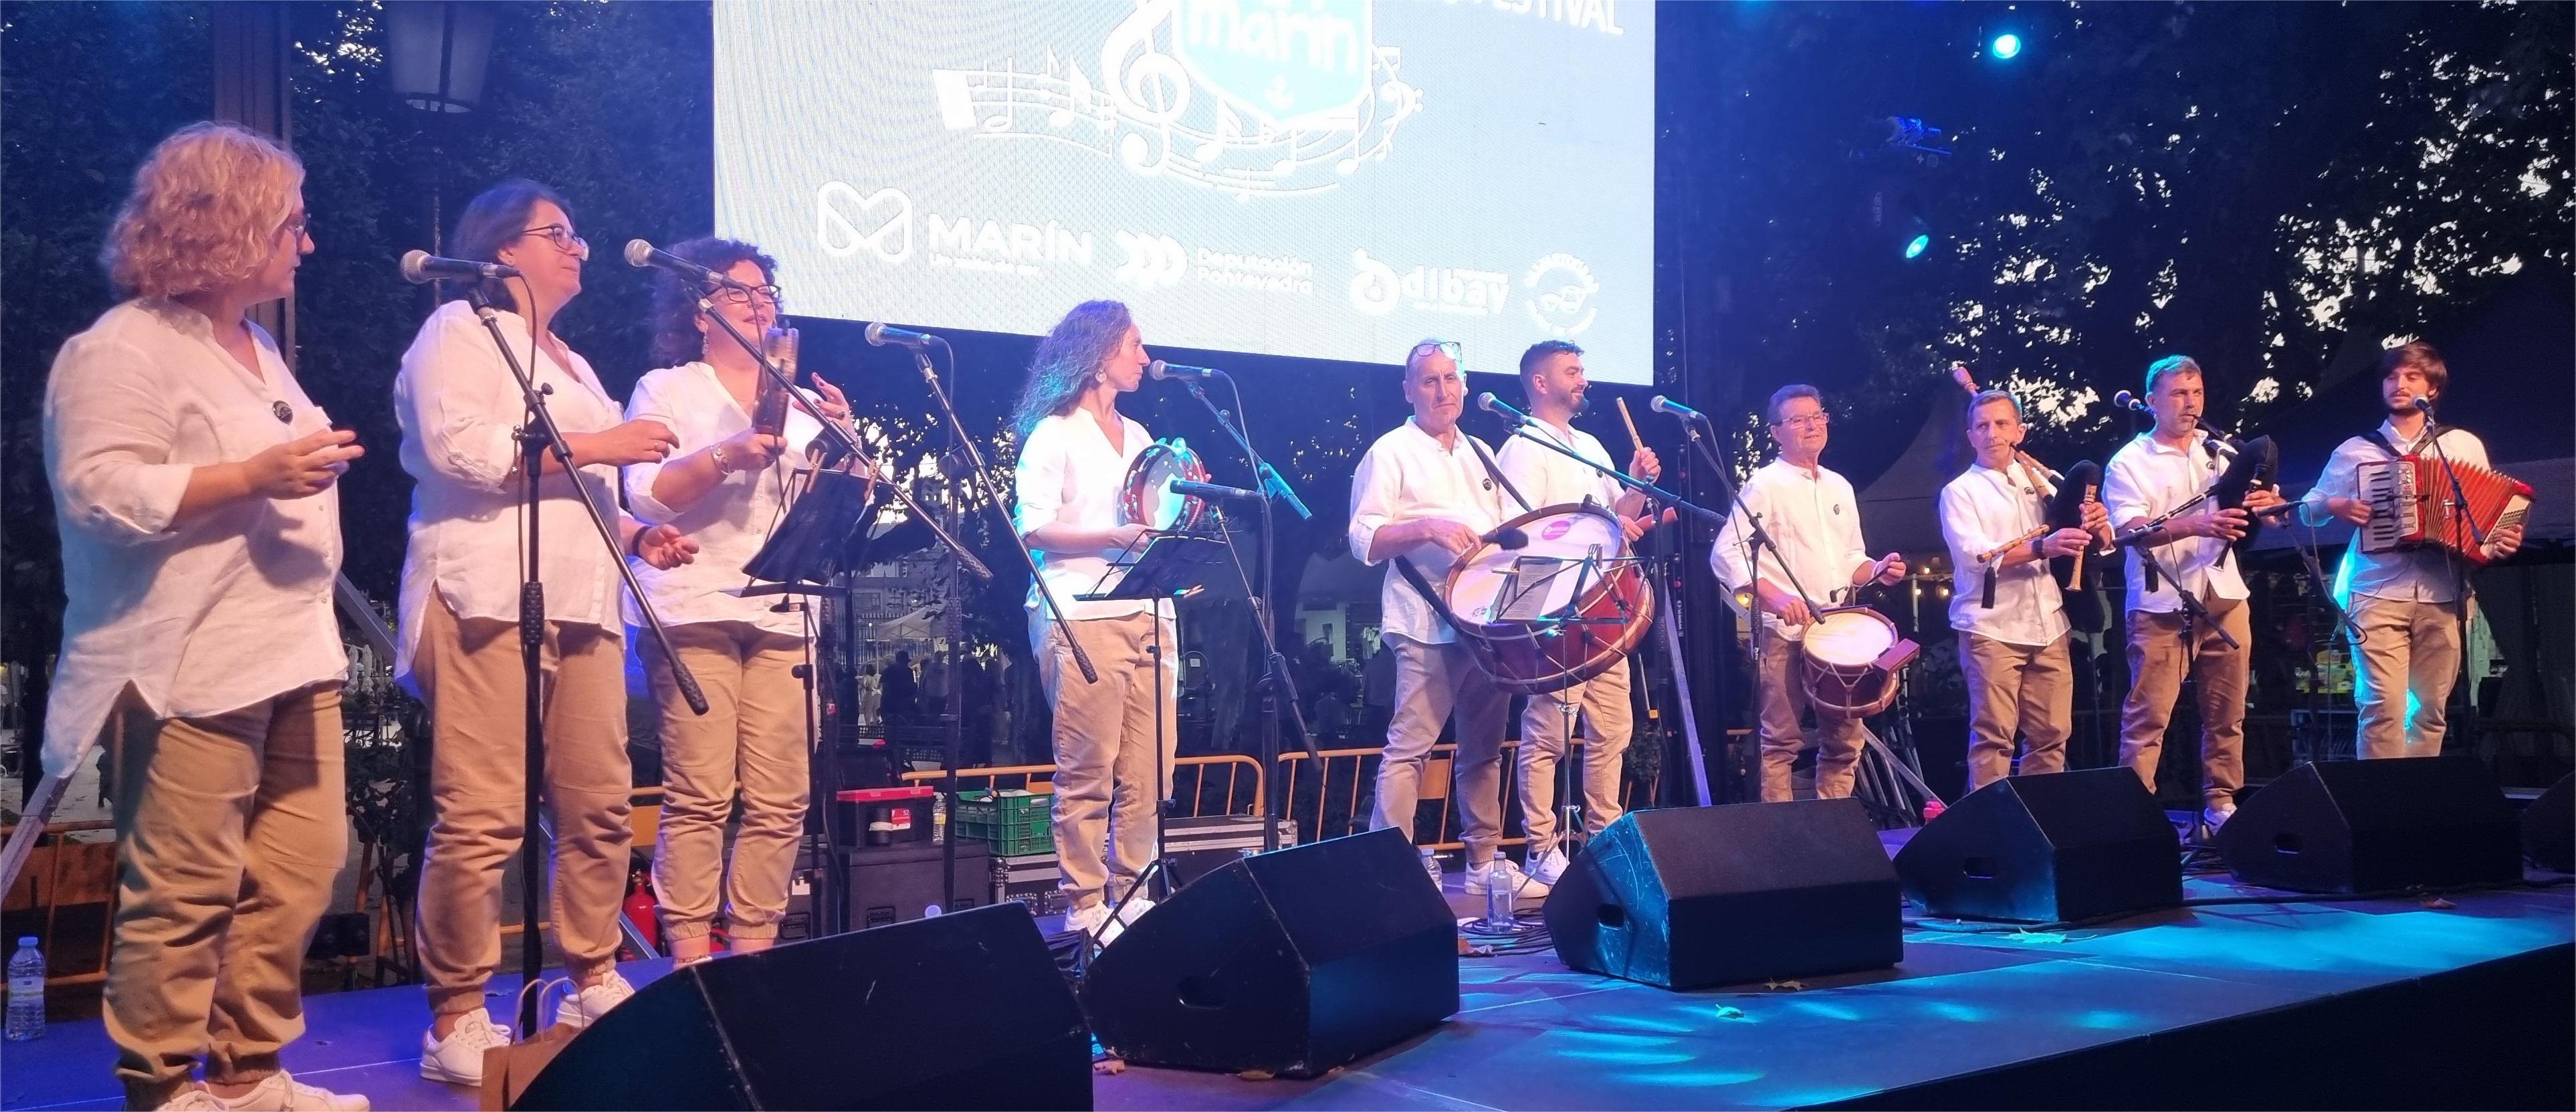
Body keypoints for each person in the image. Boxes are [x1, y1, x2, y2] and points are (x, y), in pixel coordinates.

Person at [45, 121, 367, 1112]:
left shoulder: (257, 347)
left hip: (291, 647)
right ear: (228, 224)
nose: (306, 243)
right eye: (292, 225)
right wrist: (252, 475)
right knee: (185, 886)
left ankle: (248, 1070)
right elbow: (98, 490)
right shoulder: (120, 349)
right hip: (189, 659)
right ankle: (161, 1084)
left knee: (301, 868)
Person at [393, 180, 697, 1086]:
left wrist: (636, 534)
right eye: (558, 233)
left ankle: (590, 977)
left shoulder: (572, 360)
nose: (579, 248)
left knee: (598, 805)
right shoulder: (458, 329)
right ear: (502, 248)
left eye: (577, 234)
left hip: (584, 601)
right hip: (485, 594)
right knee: (482, 813)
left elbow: (583, 488)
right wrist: (603, 446)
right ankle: (456, 1012)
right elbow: (463, 451)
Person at [621, 237, 860, 968]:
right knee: (700, 792)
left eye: (766, 294)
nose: (758, 305)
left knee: (782, 796)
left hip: (783, 609)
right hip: (694, 604)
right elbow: (644, 495)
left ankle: (755, 955)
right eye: (738, 292)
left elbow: (836, 505)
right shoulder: (667, 387)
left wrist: (848, 446)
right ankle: (692, 961)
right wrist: (727, 454)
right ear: (700, 312)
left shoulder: (800, 402)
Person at [1349, 339, 1543, 898]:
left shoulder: (1481, 451)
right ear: (1408, 390)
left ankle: (1483, 862)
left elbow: (1512, 530)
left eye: (1451, 378)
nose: (1443, 390)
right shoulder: (1390, 451)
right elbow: (1363, 538)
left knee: (1484, 750)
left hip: (1487, 623)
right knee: (1410, 749)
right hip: (1424, 622)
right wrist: (1427, 527)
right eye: (1430, 380)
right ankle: (1388, 876)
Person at [1008, 300, 1178, 938]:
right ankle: (1085, 901)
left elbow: (1153, 519)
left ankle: (1132, 891)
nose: (1144, 357)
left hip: (1147, 609)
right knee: (1089, 766)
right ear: (1100, 354)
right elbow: (1032, 529)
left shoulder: (1140, 436)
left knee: (1150, 769)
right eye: (1134, 345)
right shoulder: (1053, 434)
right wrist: (1111, 535)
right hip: (1080, 612)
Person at [2298, 342, 2521, 758]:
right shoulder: (2355, 450)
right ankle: (2382, 793)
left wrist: (2502, 538)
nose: (2398, 384)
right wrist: (2335, 504)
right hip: (2375, 591)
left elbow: (2489, 512)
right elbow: (2307, 511)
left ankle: (2418, 791)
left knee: (2431, 710)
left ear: (2432, 389)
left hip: (2444, 592)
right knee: (2383, 707)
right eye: (2391, 376)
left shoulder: (2461, 445)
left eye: (2411, 376)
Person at [1493, 340, 1662, 885]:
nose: (1583, 379)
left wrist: (1637, 486)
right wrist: (1603, 525)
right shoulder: (1524, 446)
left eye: (1583, 370)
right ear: (1540, 383)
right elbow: (1522, 531)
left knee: (1614, 727)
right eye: (1572, 371)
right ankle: (1541, 847)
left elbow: (1620, 514)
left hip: (1603, 604)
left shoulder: (1589, 445)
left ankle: (1603, 839)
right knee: (1548, 732)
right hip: (1556, 608)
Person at [2103, 356, 2284, 832]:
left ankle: (2221, 805)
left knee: (2228, 712)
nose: (2191, 403)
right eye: (2179, 393)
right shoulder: (2130, 461)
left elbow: (2269, 515)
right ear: (2152, 401)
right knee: (2148, 716)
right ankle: (2135, 816)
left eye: (2197, 393)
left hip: (2225, 593)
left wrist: (2271, 506)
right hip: (2161, 601)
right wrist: (2199, 524)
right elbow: (2131, 530)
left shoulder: (2222, 452)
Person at [1710, 384, 1908, 802]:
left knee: (1845, 742)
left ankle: (1832, 826)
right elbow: (1726, 554)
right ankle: (1781, 834)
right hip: (1784, 633)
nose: (1812, 425)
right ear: (1776, 432)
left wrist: (1877, 569)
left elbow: (1851, 558)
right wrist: (1779, 599)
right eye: (1798, 420)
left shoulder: (1839, 486)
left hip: (1837, 627)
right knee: (1781, 742)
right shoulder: (1766, 484)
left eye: (1817, 416)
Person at [1937, 390, 2111, 792]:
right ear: (1970, 436)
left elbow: (2099, 540)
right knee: (1994, 737)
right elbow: (1975, 555)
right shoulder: (1960, 491)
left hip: (2049, 621)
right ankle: (1993, 823)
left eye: (2002, 424)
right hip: (1991, 627)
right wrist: (2042, 547)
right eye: (1982, 426)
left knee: (2052, 734)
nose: (1992, 434)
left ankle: (2041, 819)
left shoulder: (2047, 482)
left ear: (2020, 431)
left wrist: (2099, 525)